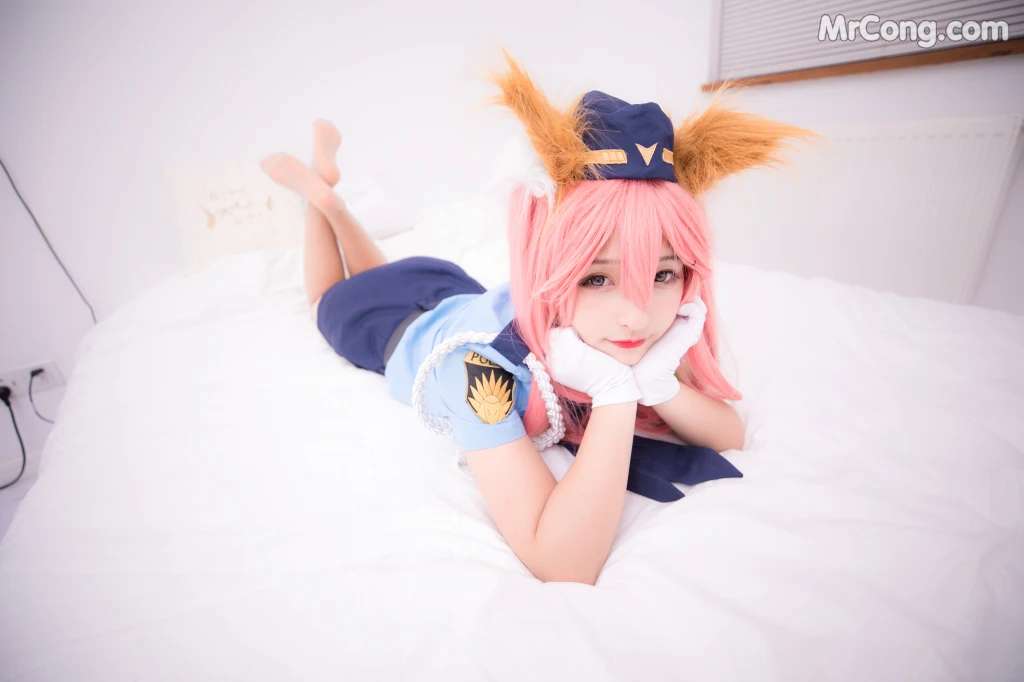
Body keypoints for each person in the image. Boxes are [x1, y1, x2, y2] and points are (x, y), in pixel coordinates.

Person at [261, 52, 814, 585]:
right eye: (597, 278)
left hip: (452, 288)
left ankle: (330, 199)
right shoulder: (479, 369)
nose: (637, 314)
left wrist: (658, 382)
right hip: (393, 327)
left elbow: (729, 434)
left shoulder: (630, 324)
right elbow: (563, 562)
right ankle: (320, 201)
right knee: (328, 295)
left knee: (378, 271)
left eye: (662, 274)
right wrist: (616, 394)